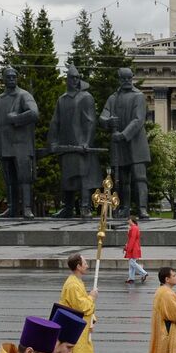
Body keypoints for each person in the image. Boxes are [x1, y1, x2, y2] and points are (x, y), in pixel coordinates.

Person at [48, 62, 99, 216]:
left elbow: (91, 121)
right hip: (65, 144)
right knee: (67, 177)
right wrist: (53, 142)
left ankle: (85, 206)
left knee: (84, 175)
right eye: (72, 78)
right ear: (67, 79)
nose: (75, 80)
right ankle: (67, 207)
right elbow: (55, 121)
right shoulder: (62, 99)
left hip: (81, 145)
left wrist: (86, 142)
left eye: (77, 78)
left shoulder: (86, 97)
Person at [0, 66, 39, 218]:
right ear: (3, 80)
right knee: (9, 178)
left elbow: (34, 113)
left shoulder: (24, 95)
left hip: (22, 145)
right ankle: (11, 207)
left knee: (24, 177)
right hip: (5, 145)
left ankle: (27, 208)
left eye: (14, 77)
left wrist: (16, 118)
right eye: (8, 77)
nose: (11, 79)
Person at [99, 67, 149, 217]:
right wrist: (107, 121)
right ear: (119, 79)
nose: (127, 81)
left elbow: (138, 119)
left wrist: (123, 134)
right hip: (119, 146)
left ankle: (142, 208)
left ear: (132, 78)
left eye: (129, 78)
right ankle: (124, 207)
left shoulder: (138, 96)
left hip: (136, 144)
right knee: (123, 179)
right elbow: (103, 115)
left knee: (140, 177)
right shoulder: (113, 98)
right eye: (123, 78)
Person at [58, 253, 98, 353]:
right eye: (85, 263)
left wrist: (92, 318)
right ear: (78, 266)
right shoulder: (73, 285)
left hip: (81, 328)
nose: (87, 265)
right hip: (75, 329)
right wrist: (92, 297)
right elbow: (81, 307)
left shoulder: (76, 282)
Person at [123, 215, 148, 283]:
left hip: (133, 247)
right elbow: (131, 239)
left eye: (129, 220)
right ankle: (131, 278)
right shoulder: (134, 228)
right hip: (134, 247)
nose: (128, 221)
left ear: (131, 220)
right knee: (131, 263)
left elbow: (132, 239)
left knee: (132, 262)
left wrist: (128, 248)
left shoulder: (134, 228)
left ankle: (144, 273)